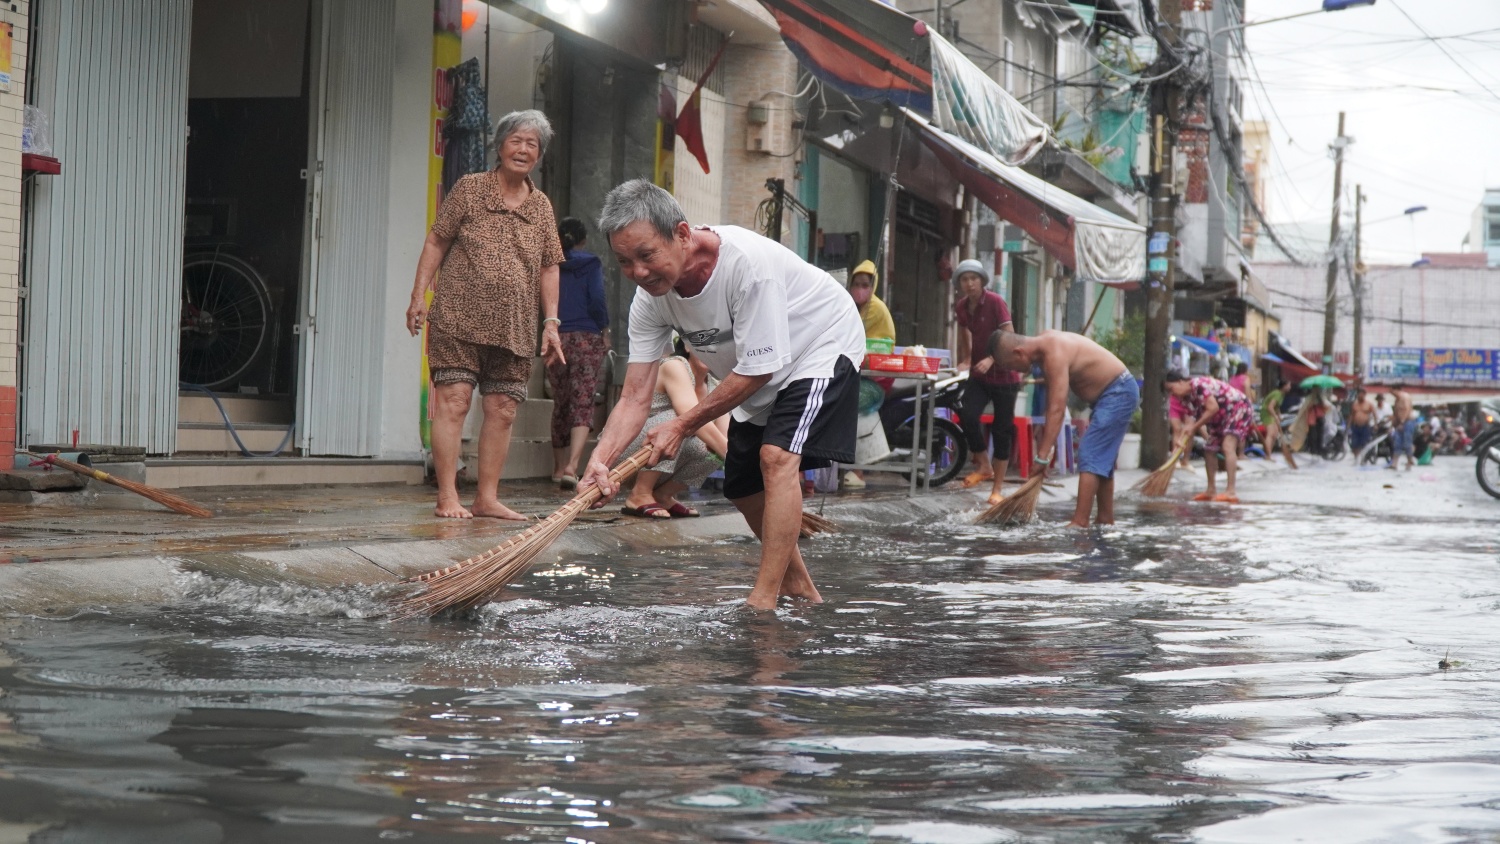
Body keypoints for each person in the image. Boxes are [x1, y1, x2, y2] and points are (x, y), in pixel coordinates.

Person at [580, 179, 865, 611]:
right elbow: (635, 396)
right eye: (624, 261)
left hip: (820, 346)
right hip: (755, 370)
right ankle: (799, 587)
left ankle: (763, 600)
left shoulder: (747, 264)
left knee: (776, 458)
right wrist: (600, 464)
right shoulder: (649, 300)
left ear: (681, 234)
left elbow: (760, 367)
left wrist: (681, 425)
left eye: (647, 255)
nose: (638, 272)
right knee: (742, 486)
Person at [405, 109, 565, 520]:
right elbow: (437, 240)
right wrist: (419, 295)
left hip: (515, 327)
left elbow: (550, 266)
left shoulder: (542, 206)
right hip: (458, 317)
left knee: (503, 410)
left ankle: (486, 497)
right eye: (516, 140)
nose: (523, 149)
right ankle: (447, 497)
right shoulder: (471, 188)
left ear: (539, 155)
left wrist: (551, 322)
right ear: (499, 145)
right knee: (454, 402)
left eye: (532, 144)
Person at [990, 330, 1139, 527]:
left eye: (1011, 366)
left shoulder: (1054, 353)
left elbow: (1057, 408)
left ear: (1019, 353)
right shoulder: (1045, 346)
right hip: (1113, 393)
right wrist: (1045, 447)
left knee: (1089, 453)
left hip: (1118, 391)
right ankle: (1105, 519)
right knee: (1102, 460)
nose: (1015, 372)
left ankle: (1079, 522)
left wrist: (1042, 456)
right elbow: (1053, 403)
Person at [619, 341, 728, 518]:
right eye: (704, 346)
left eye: (716, 349)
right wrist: (728, 452)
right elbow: (687, 413)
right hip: (628, 454)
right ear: (687, 346)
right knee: (680, 422)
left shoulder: (715, 385)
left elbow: (725, 436)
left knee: (712, 448)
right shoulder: (675, 366)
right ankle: (640, 493)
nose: (709, 353)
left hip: (659, 461)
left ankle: (663, 495)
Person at [547, 217, 610, 490]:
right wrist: (604, 328)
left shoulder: (550, 264)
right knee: (583, 399)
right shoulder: (590, 264)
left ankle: (558, 468)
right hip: (586, 337)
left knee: (561, 401)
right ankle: (573, 466)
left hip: (556, 336)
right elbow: (596, 298)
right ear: (583, 240)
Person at [953, 259, 1022, 505]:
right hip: (980, 376)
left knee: (1002, 430)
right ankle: (983, 464)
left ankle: (997, 489)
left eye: (974, 278)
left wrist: (992, 358)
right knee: (966, 412)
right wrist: (965, 358)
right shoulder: (961, 306)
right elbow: (964, 332)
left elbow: (1010, 337)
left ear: (982, 281)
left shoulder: (995, 302)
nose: (970, 283)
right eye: (964, 279)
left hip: (1005, 376)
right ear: (959, 284)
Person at [844, 259, 896, 491]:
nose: (860, 288)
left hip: (876, 379)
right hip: (858, 373)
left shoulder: (873, 309)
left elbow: (851, 337)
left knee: (850, 403)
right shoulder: (854, 306)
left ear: (873, 285)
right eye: (856, 283)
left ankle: (858, 470)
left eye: (865, 284)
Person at [1165, 369, 1254, 503]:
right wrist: (1179, 444)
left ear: (1180, 382)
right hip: (1220, 416)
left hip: (1238, 408)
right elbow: (1189, 423)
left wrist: (1194, 427)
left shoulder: (1198, 385)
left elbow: (1213, 408)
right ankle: (1211, 489)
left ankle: (1231, 491)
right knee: (1209, 450)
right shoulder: (1185, 399)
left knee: (1227, 446)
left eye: (1172, 389)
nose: (1172, 394)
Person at [1261, 379, 1298, 469]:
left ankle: (1269, 454)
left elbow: (1276, 407)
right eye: (1288, 385)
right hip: (1266, 414)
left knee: (1274, 435)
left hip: (1271, 414)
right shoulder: (1277, 393)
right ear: (1284, 386)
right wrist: (1275, 417)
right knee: (1270, 434)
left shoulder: (1281, 395)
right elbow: (1270, 407)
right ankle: (1267, 455)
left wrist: (1279, 415)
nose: (1290, 387)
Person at [1389, 387, 1416, 470]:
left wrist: (1402, 422)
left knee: (1407, 443)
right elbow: (1396, 413)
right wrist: (1392, 425)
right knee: (1397, 443)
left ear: (1396, 390)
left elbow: (1406, 410)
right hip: (1399, 423)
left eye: (1392, 391)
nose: (1391, 394)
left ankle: (1409, 462)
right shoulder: (1397, 400)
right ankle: (1394, 463)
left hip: (1407, 422)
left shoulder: (1405, 397)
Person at [1348, 388, 1375, 456]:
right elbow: (1351, 415)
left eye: (1362, 394)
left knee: (1364, 443)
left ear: (1365, 395)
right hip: (1355, 426)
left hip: (1365, 426)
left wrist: (1376, 424)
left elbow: (1374, 415)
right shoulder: (1354, 404)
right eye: (1359, 394)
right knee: (1354, 444)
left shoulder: (1369, 404)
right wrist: (1348, 425)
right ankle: (1356, 457)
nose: (1360, 395)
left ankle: (1362, 458)